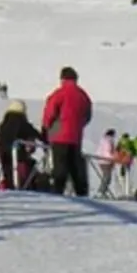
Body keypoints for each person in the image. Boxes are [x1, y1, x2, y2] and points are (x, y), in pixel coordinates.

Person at [40, 66, 92, 197]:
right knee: (75, 166)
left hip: (59, 136)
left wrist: (47, 128)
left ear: (62, 78)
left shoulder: (59, 93)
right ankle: (81, 193)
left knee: (60, 166)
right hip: (76, 137)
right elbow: (87, 115)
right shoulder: (83, 95)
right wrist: (78, 126)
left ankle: (58, 193)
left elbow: (49, 113)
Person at [0, 100, 42, 190]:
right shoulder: (22, 122)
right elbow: (34, 133)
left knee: (8, 175)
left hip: (4, 155)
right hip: (19, 155)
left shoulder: (3, 124)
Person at [93, 128, 118, 197]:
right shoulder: (108, 141)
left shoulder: (103, 140)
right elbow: (107, 151)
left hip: (102, 160)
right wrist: (113, 158)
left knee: (106, 176)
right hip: (106, 161)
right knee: (107, 177)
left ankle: (102, 191)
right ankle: (101, 191)